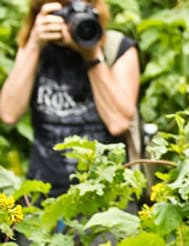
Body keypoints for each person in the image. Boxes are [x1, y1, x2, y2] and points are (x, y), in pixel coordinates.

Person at [0, 0, 140, 197]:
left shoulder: (117, 48)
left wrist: (91, 54)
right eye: (65, 11)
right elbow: (8, 113)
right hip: (44, 193)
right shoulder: (38, 49)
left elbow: (118, 122)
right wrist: (32, 45)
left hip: (107, 195)